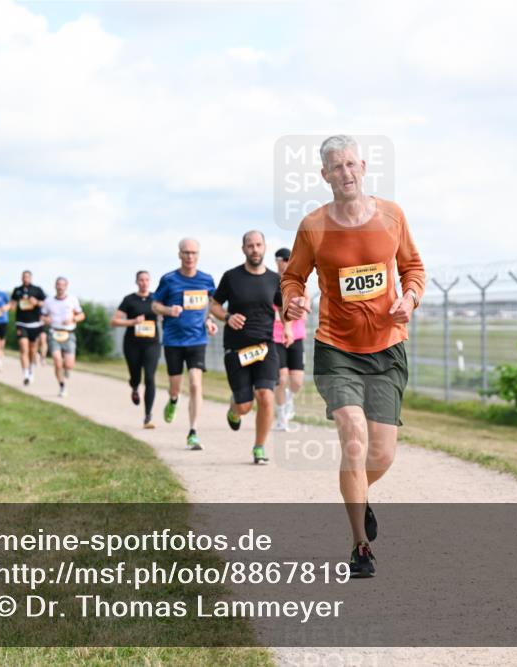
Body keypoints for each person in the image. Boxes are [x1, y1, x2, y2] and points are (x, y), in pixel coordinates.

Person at [281, 135, 425, 578]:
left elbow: (413, 269)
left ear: (363, 167)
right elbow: (293, 278)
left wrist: (411, 298)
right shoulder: (313, 226)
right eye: (335, 167)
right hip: (336, 346)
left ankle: (359, 497)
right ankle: (360, 546)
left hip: (387, 346)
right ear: (324, 175)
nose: (345, 173)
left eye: (350, 165)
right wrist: (294, 300)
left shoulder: (392, 215)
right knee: (354, 435)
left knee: (380, 455)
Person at [210, 231, 283, 464]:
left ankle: (259, 447)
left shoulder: (274, 279)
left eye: (258, 245)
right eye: (250, 245)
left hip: (265, 346)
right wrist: (227, 317)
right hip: (236, 347)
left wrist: (290, 326)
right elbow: (214, 305)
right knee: (244, 406)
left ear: (265, 247)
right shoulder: (231, 277)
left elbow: (283, 309)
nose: (254, 249)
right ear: (243, 249)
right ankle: (234, 408)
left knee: (266, 395)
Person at [151, 238, 218, 450]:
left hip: (197, 339)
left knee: (196, 384)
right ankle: (172, 401)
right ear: (179, 254)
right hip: (173, 340)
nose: (190, 256)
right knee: (175, 387)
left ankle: (193, 431)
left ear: (198, 255)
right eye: (186, 252)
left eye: (193, 253)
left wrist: (209, 320)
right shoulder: (169, 279)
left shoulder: (206, 280)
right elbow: (154, 305)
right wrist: (169, 311)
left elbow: (213, 306)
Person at [111, 270, 162, 429]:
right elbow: (114, 321)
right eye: (141, 280)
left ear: (150, 281)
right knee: (135, 375)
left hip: (152, 344)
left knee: (149, 377)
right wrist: (133, 321)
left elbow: (165, 314)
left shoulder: (156, 299)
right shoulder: (129, 300)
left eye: (147, 279)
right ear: (136, 282)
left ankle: (148, 415)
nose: (144, 282)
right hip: (132, 344)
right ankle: (134, 387)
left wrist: (164, 315)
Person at [272, 247, 308, 431]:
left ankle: (288, 400)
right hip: (276, 336)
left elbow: (306, 304)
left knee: (297, 381)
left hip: (297, 335)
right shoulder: (270, 282)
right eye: (283, 259)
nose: (286, 262)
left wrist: (303, 306)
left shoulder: (299, 282)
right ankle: (280, 416)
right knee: (281, 378)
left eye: (289, 259)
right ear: (277, 261)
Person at [41, 277, 85, 398]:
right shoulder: (48, 300)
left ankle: (67, 369)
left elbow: (81, 315)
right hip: (54, 332)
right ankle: (62, 386)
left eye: (62, 285)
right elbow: (42, 317)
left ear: (66, 286)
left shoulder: (72, 299)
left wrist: (73, 319)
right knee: (57, 361)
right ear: (55, 286)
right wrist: (46, 319)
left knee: (69, 364)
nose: (60, 287)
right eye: (58, 285)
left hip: (68, 333)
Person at [9, 271, 47, 386]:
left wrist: (36, 302)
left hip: (35, 324)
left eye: (28, 277)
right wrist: (8, 307)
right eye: (24, 277)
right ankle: (25, 374)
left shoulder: (37, 290)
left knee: (32, 350)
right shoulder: (17, 290)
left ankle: (30, 369)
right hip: (21, 323)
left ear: (31, 278)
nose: (26, 278)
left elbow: (45, 303)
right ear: (21, 278)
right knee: (23, 348)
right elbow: (12, 304)